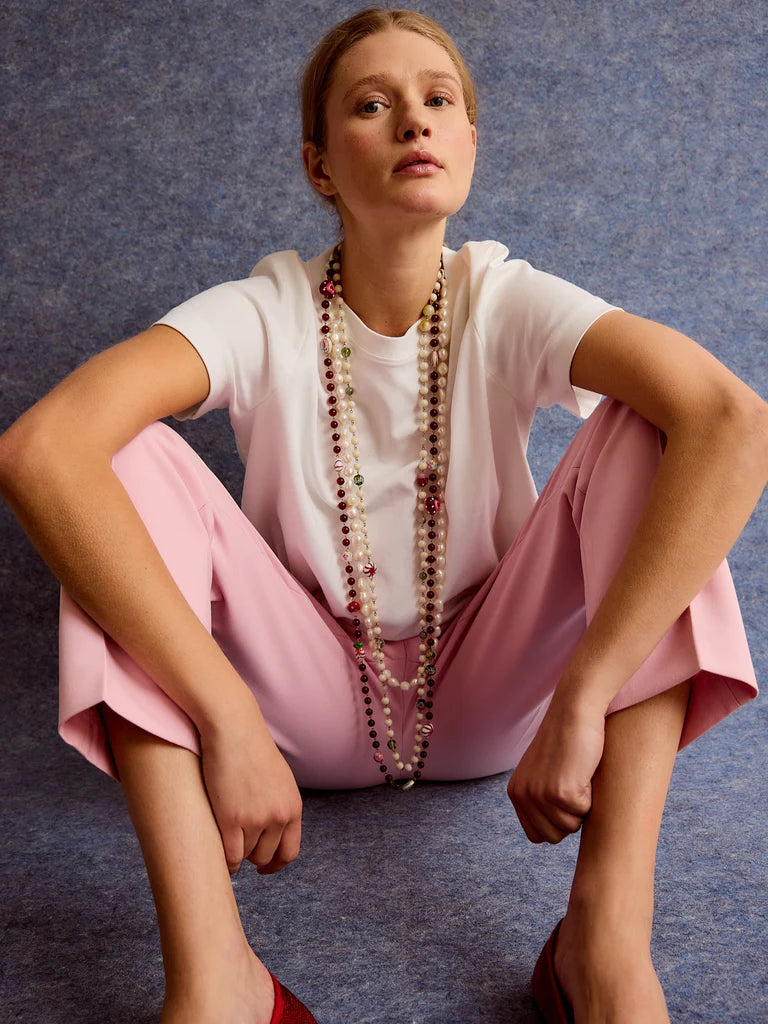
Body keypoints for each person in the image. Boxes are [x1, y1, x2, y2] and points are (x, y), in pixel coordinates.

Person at [0, 7, 765, 1024]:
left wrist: (585, 694)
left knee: (651, 428)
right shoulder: (265, 309)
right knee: (120, 454)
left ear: (470, 144)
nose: (414, 120)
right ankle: (216, 975)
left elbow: (730, 418)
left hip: (496, 691)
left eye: (438, 100)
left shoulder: (506, 297)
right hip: (299, 705)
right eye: (372, 104)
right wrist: (226, 714)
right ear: (319, 166)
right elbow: (41, 450)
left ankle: (605, 946)